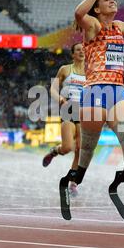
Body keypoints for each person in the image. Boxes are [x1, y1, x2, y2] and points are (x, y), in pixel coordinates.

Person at [61, 0, 124, 217]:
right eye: (107, 0)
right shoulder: (93, 26)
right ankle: (70, 181)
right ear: (97, 8)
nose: (113, 1)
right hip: (96, 90)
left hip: (117, 90)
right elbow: (79, 13)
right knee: (87, 150)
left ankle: (119, 181)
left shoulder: (119, 26)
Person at [42, 43, 86, 196]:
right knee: (67, 148)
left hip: (85, 113)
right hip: (69, 109)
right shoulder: (65, 69)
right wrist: (60, 98)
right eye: (78, 50)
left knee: (80, 151)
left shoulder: (91, 71)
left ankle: (73, 184)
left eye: (83, 49)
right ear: (73, 54)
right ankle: (55, 151)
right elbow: (53, 89)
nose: (82, 51)